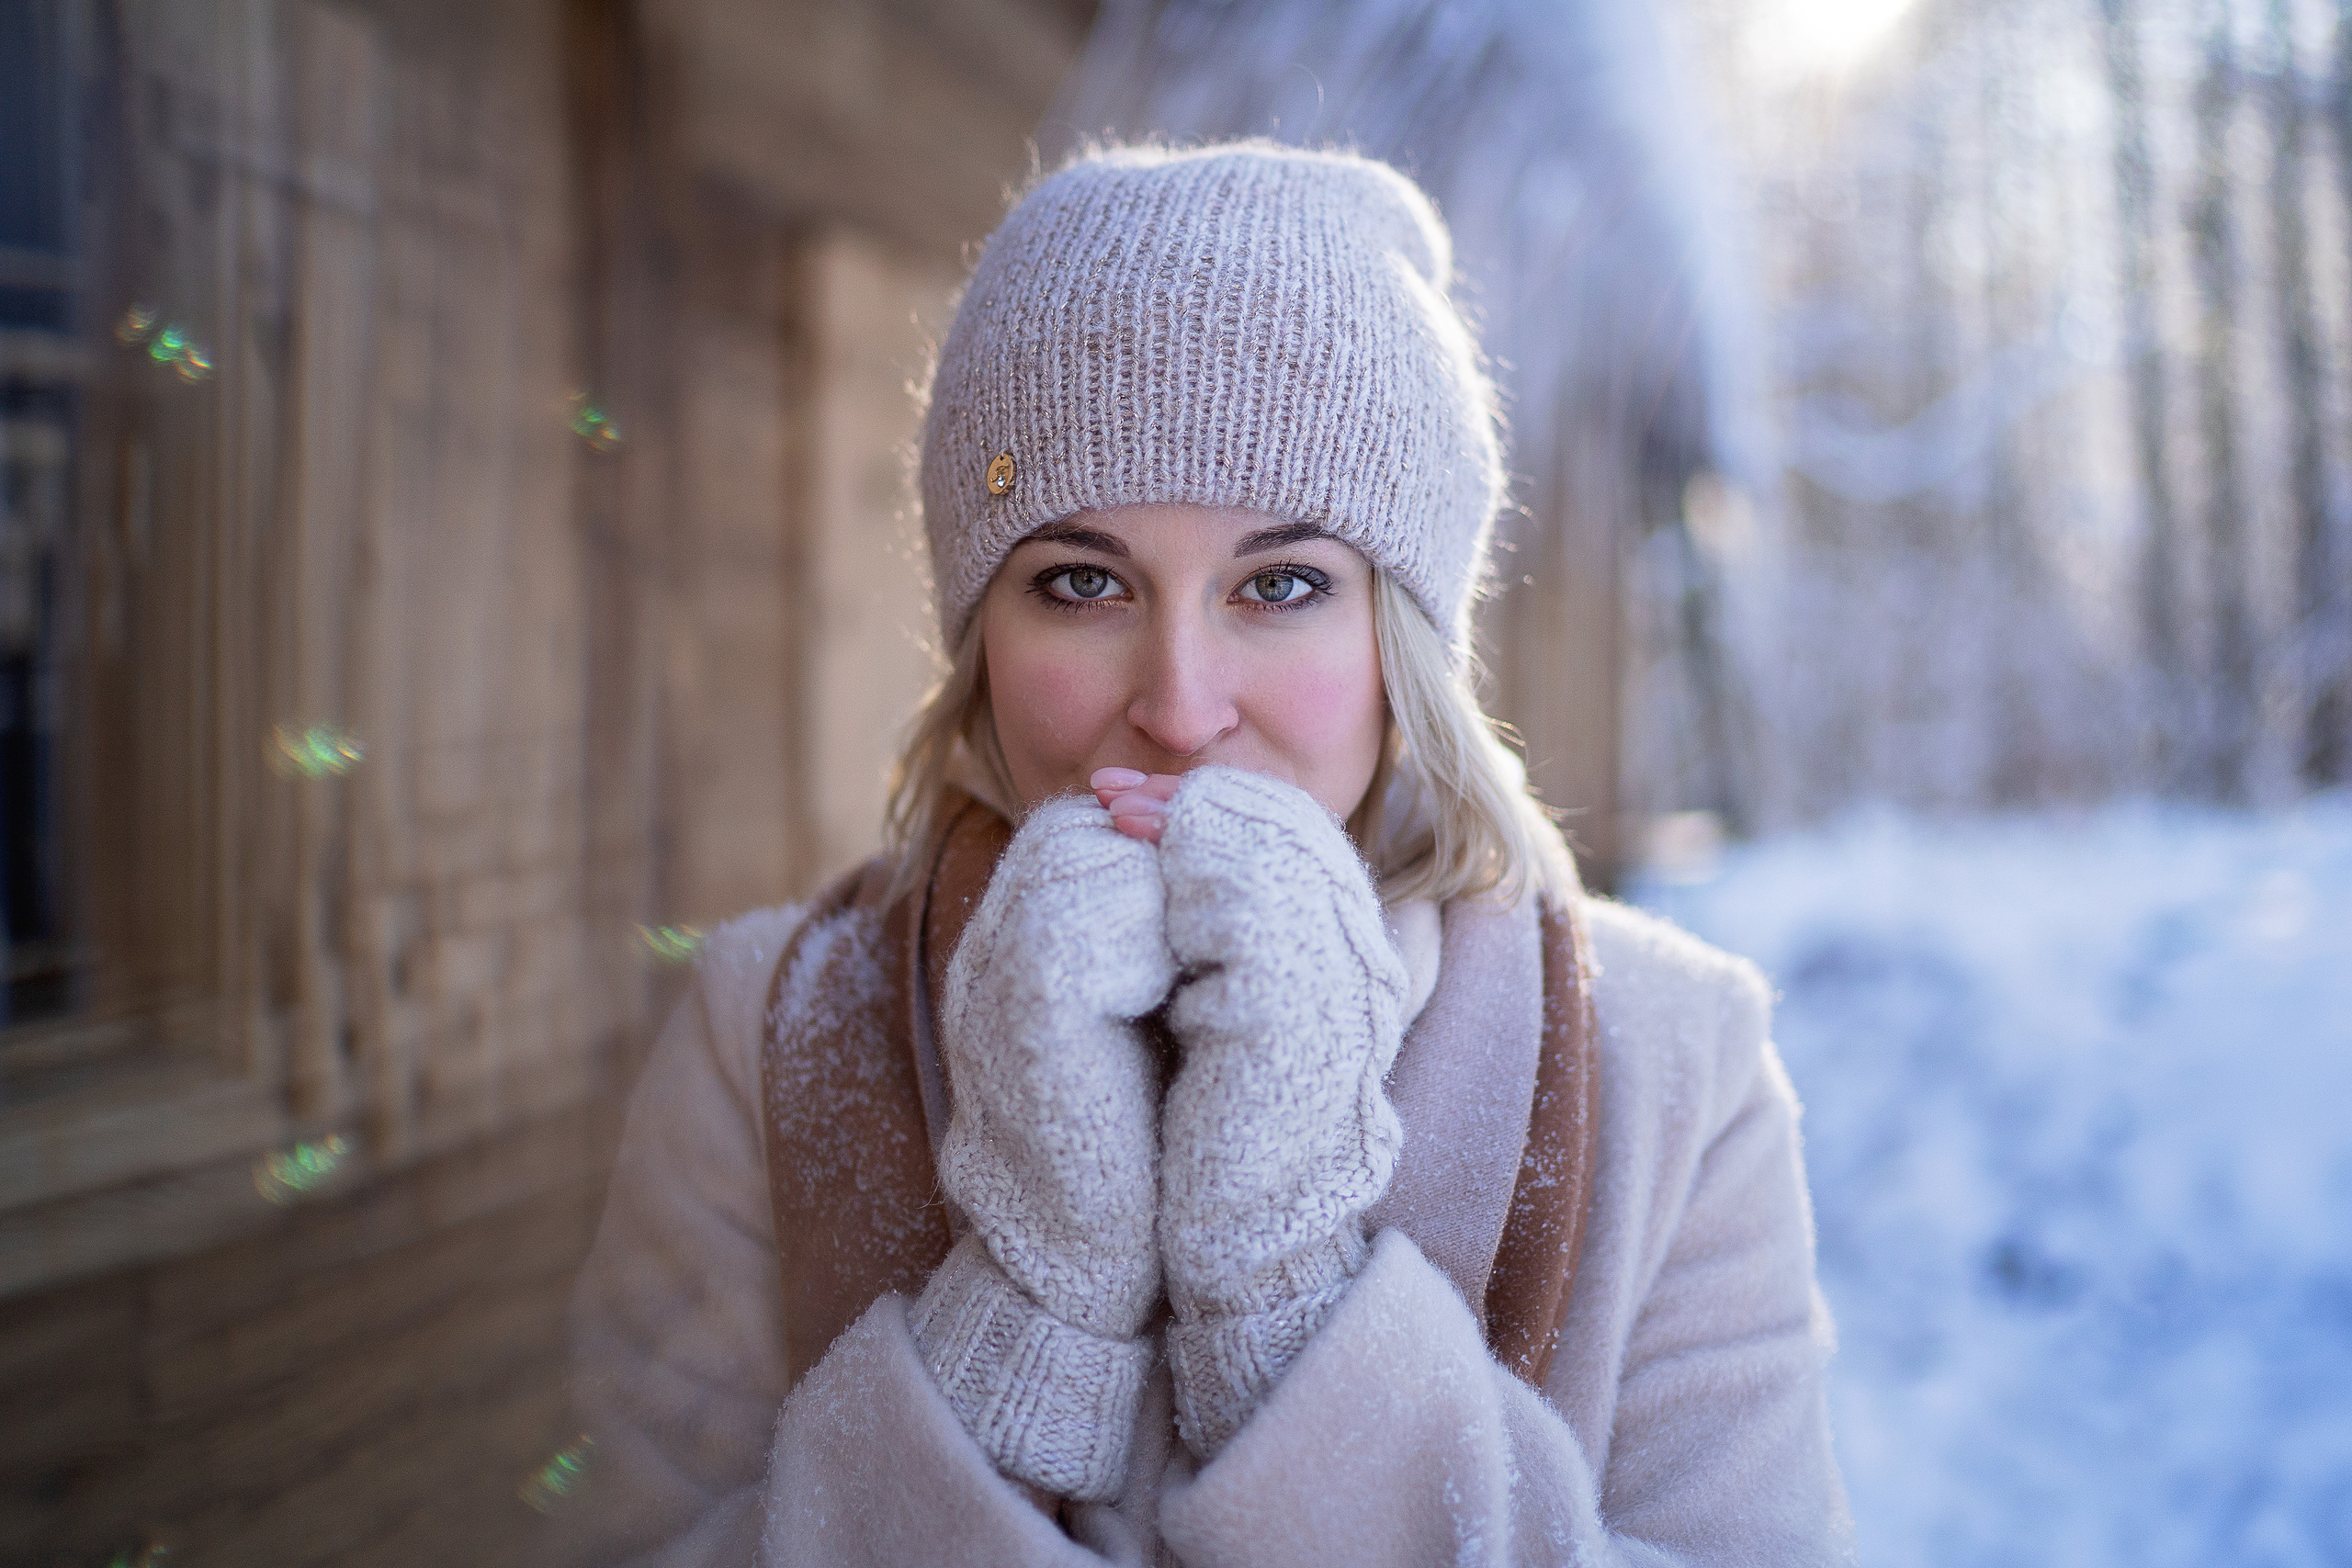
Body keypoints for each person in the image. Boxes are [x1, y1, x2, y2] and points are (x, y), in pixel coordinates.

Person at [538, 141, 1852, 1567]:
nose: (1175, 705)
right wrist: (1018, 1330)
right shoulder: (766, 1034)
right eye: (1080, 583)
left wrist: (1295, 1311)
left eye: (1281, 586)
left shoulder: (1671, 1065)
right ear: (980, 630)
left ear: (1399, 640)